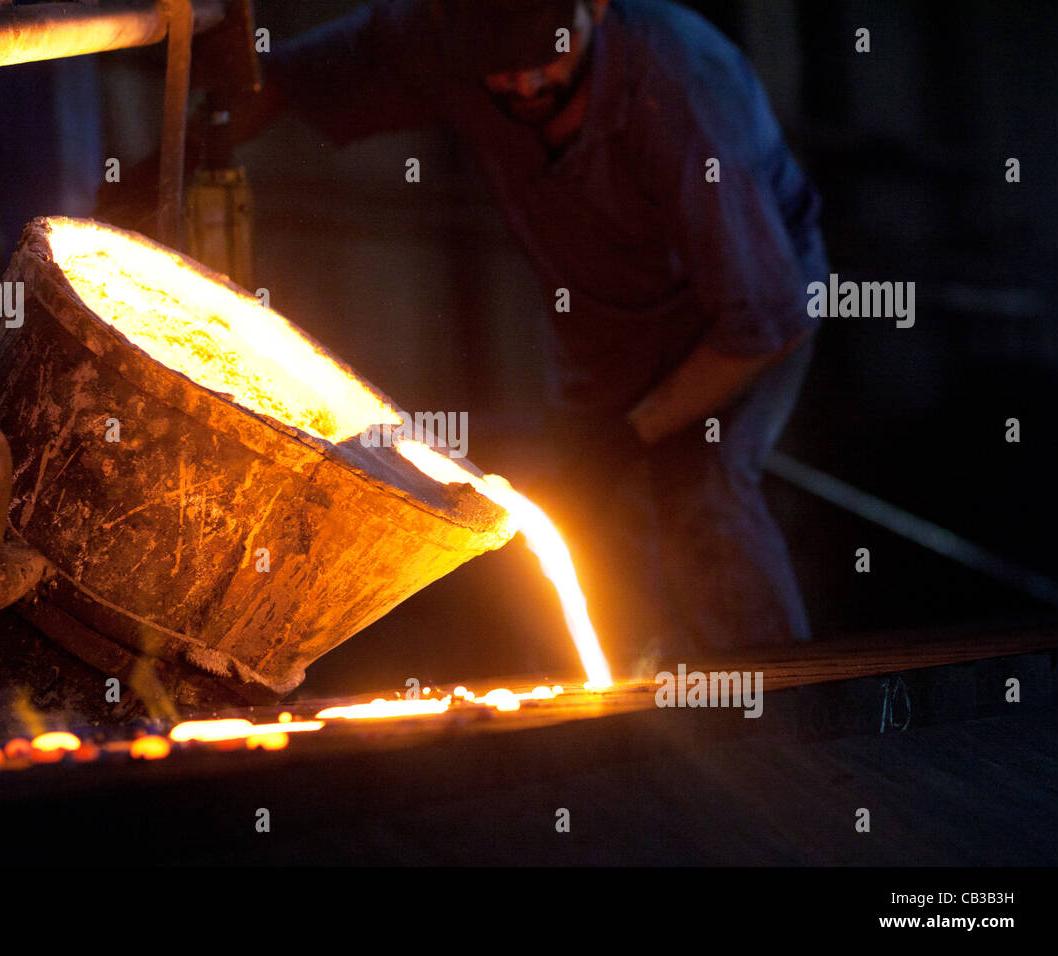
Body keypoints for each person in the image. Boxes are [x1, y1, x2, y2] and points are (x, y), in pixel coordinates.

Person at [213, 0, 829, 664]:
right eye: (503, 73)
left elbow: (766, 322)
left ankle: (774, 723)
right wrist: (185, 148)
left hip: (737, 317)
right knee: (588, 521)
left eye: (548, 60)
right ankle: (628, 720)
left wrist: (628, 436)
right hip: (604, 326)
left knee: (699, 486)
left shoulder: (683, 90)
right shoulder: (436, 36)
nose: (529, 87)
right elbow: (286, 81)